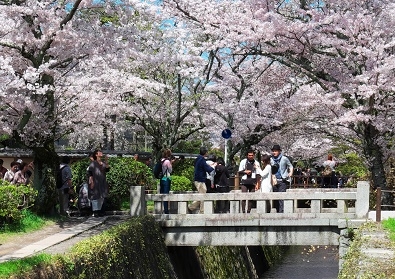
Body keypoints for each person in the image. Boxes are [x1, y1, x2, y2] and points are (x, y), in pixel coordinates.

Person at [188, 146, 214, 214]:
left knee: (201, 195)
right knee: (203, 196)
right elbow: (206, 168)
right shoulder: (202, 160)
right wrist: (213, 168)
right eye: (207, 152)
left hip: (197, 179)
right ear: (205, 152)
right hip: (200, 180)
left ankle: (191, 207)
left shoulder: (198, 159)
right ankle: (200, 211)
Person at [271, 144, 293, 213]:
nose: (274, 152)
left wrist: (290, 173)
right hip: (274, 180)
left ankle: (281, 212)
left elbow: (291, 166)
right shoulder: (271, 159)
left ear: (279, 151)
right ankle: (277, 211)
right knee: (275, 198)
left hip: (282, 180)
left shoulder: (284, 158)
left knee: (281, 197)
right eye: (273, 151)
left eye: (276, 151)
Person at [87, 149, 110, 217]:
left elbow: (107, 169)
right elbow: (90, 173)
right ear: (96, 154)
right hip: (95, 182)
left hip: (102, 182)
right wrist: (92, 182)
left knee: (102, 196)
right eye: (99, 152)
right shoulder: (93, 163)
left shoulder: (103, 163)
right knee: (95, 196)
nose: (101, 153)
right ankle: (95, 211)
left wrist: (106, 161)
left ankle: (100, 211)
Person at [238, 149, 261, 213]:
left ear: (254, 155)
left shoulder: (256, 163)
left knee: (251, 197)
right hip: (244, 181)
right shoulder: (243, 162)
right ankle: (243, 211)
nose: (250, 156)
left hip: (253, 181)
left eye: (252, 155)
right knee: (244, 196)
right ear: (247, 155)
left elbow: (258, 174)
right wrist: (245, 172)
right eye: (249, 155)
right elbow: (239, 171)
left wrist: (257, 183)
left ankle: (249, 211)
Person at [160, 149, 176, 214]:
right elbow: (170, 170)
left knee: (162, 194)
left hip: (162, 178)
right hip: (166, 178)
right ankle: (166, 211)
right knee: (166, 195)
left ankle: (162, 209)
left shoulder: (161, 160)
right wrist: (171, 163)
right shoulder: (167, 161)